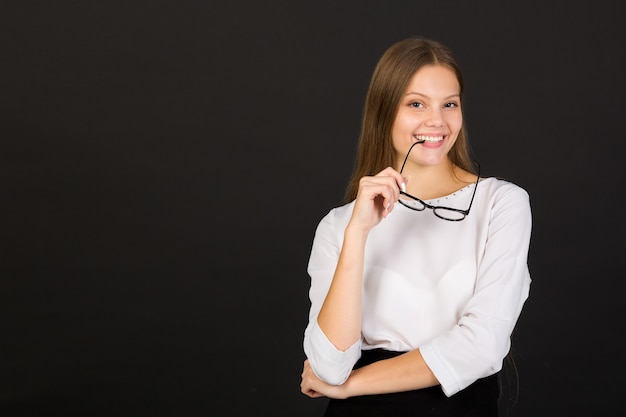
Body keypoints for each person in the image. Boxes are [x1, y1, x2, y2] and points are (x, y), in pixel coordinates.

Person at [300, 36, 532, 416]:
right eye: (416, 103)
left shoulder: (501, 204)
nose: (436, 121)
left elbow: (482, 345)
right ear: (384, 111)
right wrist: (357, 234)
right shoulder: (340, 225)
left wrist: (351, 387)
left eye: (449, 104)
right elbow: (328, 366)